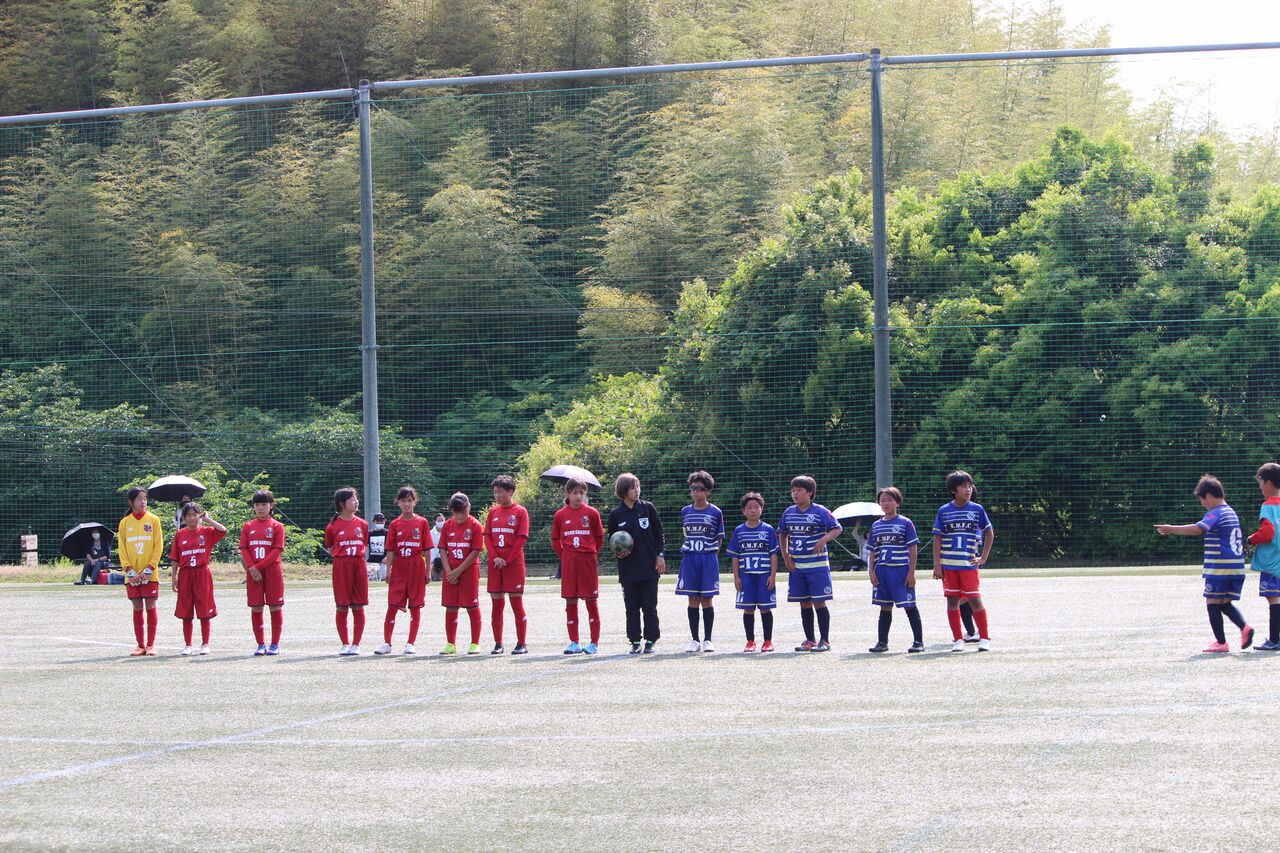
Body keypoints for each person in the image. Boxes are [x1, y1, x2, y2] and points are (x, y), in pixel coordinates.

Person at [1155, 475, 1252, 653]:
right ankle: (1245, 628)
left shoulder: (1216, 513)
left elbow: (1198, 529)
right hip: (1236, 567)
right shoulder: (1231, 512)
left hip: (1220, 567)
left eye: (1202, 500)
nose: (1203, 504)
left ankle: (1221, 643)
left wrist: (1171, 529)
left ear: (1209, 496)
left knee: (1212, 603)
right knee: (1224, 603)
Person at [779, 475, 843, 652]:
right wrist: (786, 557)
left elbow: (837, 528)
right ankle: (810, 640)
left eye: (799, 490)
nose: (795, 493)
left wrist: (824, 539)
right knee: (804, 603)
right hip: (797, 566)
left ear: (810, 492)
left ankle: (825, 641)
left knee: (819, 602)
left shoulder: (820, 511)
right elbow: (782, 534)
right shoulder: (788, 513)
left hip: (817, 566)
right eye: (793, 490)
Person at [932, 470, 993, 653]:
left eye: (969, 485)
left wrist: (983, 558)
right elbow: (937, 538)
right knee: (953, 601)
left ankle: (984, 637)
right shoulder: (944, 511)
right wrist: (937, 565)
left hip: (968, 565)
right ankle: (958, 639)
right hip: (949, 566)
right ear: (954, 490)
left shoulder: (977, 509)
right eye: (963, 486)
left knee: (975, 600)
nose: (968, 489)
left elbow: (989, 532)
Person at [607, 473, 665, 654]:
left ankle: (651, 640)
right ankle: (634, 641)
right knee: (631, 608)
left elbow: (659, 533)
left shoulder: (648, 508)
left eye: (638, 486)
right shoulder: (616, 514)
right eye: (633, 487)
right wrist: (618, 552)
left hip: (649, 567)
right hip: (628, 570)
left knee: (650, 607)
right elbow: (612, 540)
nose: (637, 490)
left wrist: (660, 555)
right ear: (623, 491)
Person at [867, 487, 924, 654]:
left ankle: (918, 642)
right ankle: (882, 642)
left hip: (900, 571)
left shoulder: (905, 523)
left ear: (898, 502)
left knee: (909, 606)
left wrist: (911, 573)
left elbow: (912, 548)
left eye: (890, 500)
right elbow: (872, 550)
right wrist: (871, 571)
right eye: (882, 500)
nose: (886, 503)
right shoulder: (876, 525)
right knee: (884, 607)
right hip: (882, 572)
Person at [375, 487, 432, 656]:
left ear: (415, 502)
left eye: (410, 500)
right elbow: (390, 550)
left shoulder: (422, 522)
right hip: (399, 567)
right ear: (398, 502)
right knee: (392, 605)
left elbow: (427, 549)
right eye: (403, 500)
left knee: (415, 605)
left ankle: (410, 643)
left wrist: (428, 570)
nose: (407, 504)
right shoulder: (395, 524)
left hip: (416, 566)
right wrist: (388, 570)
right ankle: (387, 643)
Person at [551, 479, 605, 654]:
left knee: (591, 601)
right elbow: (555, 539)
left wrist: (591, 552)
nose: (578, 496)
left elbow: (599, 538)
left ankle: (594, 643)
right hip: (569, 562)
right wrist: (564, 555)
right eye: (575, 493)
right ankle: (574, 642)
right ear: (567, 494)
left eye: (582, 493)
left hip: (587, 561)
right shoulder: (560, 515)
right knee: (571, 601)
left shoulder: (592, 513)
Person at [676, 470, 724, 653]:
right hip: (690, 558)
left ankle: (708, 640)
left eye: (699, 488)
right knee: (692, 599)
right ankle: (695, 640)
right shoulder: (685, 511)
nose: (695, 491)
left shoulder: (715, 512)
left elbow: (719, 538)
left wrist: (712, 556)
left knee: (707, 599)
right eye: (692, 488)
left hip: (707, 558)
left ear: (707, 491)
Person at [170, 502, 226, 656]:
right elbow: (175, 558)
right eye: (188, 515)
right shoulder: (180, 534)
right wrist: (174, 576)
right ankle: (188, 645)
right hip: (185, 574)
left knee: (204, 610)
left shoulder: (206, 531)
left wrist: (207, 519)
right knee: (186, 610)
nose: (192, 518)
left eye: (194, 514)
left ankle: (205, 643)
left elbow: (223, 530)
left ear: (199, 515)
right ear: (184, 518)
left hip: (202, 574)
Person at [728, 492, 779, 653]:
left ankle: (767, 641)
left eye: (756, 507)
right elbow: (735, 556)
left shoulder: (768, 529)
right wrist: (736, 577)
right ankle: (750, 641)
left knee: (765, 608)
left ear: (762, 509)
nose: (753, 510)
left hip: (764, 575)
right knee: (748, 609)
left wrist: (772, 575)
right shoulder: (739, 531)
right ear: (743, 511)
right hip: (746, 576)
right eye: (749, 507)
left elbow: (773, 554)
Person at [485, 475, 530, 655]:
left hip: (513, 564)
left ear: (510, 491)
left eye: (500, 492)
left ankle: (522, 643)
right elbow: (487, 536)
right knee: (497, 605)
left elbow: (521, 539)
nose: (497, 495)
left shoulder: (520, 511)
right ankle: (498, 643)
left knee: (516, 603)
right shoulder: (493, 512)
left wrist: (508, 560)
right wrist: (495, 557)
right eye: (495, 492)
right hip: (495, 564)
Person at [117, 487, 164, 656]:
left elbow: (158, 546)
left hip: (150, 574)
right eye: (139, 499)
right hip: (132, 575)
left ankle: (150, 645)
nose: (143, 502)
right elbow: (122, 549)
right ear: (131, 502)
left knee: (150, 606)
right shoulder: (124, 523)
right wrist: (129, 570)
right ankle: (140, 645)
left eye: (145, 498)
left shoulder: (154, 520)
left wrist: (150, 568)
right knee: (137, 607)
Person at [240, 489, 286, 656]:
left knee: (275, 606)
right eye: (257, 504)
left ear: (271, 505)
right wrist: (252, 568)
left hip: (272, 570)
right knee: (256, 606)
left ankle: (274, 644)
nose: (260, 508)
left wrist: (257, 567)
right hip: (254, 572)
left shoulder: (277, 526)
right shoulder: (247, 526)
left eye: (264, 504)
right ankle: (260, 644)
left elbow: (277, 550)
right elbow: (244, 548)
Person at [439, 492, 484, 654]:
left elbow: (475, 551)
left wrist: (458, 571)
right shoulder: (447, 525)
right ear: (452, 510)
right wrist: (449, 571)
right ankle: (451, 644)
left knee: (472, 606)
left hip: (468, 572)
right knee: (451, 607)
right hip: (450, 573)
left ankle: (475, 643)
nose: (461, 515)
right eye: (457, 511)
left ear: (469, 507)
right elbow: (443, 549)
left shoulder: (475, 525)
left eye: (464, 510)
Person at [325, 486, 369, 655]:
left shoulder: (362, 524)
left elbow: (364, 544)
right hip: (341, 566)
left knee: (358, 605)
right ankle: (345, 643)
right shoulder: (332, 526)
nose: (356, 502)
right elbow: (330, 547)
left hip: (358, 565)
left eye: (356, 498)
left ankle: (356, 644)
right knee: (342, 605)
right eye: (352, 499)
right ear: (342, 504)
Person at [1248, 462, 1280, 650]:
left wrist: (1251, 539)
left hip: (1271, 562)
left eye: (1260, 482)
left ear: (1268, 483)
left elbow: (1267, 534)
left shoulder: (1268, 505)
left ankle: (1275, 640)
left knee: (1274, 598)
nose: (1260, 486)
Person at [367, 512, 389, 581]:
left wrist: (387, 557)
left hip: (383, 562)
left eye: (381, 521)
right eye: (377, 521)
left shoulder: (388, 533)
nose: (380, 522)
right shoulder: (369, 533)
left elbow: (393, 547)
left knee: (382, 577)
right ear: (374, 521)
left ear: (384, 521)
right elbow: (364, 546)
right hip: (371, 562)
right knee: (370, 578)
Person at [429, 513, 445, 582]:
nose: (441, 522)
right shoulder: (430, 534)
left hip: (445, 560)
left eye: (442, 520)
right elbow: (429, 549)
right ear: (435, 522)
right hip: (433, 561)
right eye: (439, 520)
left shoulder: (448, 533)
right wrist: (434, 560)